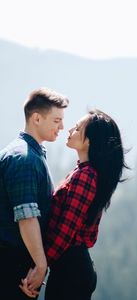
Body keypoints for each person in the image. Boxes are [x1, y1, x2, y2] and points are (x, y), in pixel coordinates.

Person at [40, 109, 128, 300]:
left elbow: (66, 229)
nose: (70, 129)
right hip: (70, 267)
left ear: (89, 141)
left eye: (78, 128)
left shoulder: (86, 177)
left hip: (70, 270)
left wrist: (40, 266)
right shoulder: (83, 172)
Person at [0, 87, 69, 299]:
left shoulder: (30, 153)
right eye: (56, 120)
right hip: (13, 263)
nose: (62, 127)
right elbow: (26, 217)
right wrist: (40, 265)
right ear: (37, 118)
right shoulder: (25, 159)